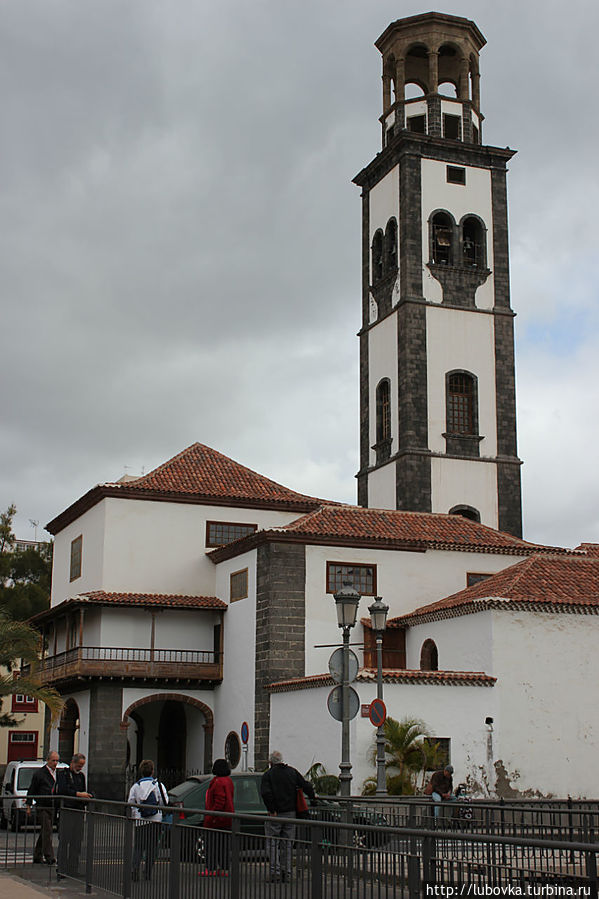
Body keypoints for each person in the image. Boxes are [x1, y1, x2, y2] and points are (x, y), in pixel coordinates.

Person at [260, 750, 315, 883]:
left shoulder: (268, 775)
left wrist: (271, 809)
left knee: (273, 843)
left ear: (270, 762)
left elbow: (266, 793)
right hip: (291, 813)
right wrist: (313, 799)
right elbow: (306, 785)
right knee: (288, 843)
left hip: (276, 813)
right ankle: (287, 872)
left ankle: (275, 872)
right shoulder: (292, 772)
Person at [127, 760, 168, 882]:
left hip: (140, 821)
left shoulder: (136, 786)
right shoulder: (157, 785)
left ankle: (135, 868)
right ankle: (148, 872)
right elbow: (163, 802)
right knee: (152, 847)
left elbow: (130, 802)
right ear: (152, 771)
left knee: (139, 847)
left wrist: (136, 813)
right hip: (155, 820)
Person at [56, 753, 92, 879]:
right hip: (67, 810)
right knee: (64, 841)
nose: (80, 768)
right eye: (78, 765)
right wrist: (78, 794)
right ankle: (61, 868)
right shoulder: (63, 775)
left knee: (76, 841)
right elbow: (62, 790)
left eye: (82, 766)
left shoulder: (81, 776)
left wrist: (85, 797)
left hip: (78, 811)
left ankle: (73, 868)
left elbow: (83, 789)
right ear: (73, 762)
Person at [200, 758, 234, 877]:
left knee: (212, 845)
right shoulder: (228, 781)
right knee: (224, 846)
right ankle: (224, 868)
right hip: (227, 818)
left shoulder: (218, 782)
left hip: (216, 819)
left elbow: (219, 801)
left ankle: (211, 868)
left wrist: (213, 815)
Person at [25, 750, 60, 865]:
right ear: (48, 760)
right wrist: (29, 805)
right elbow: (32, 790)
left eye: (57, 761)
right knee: (47, 830)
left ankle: (37, 855)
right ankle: (49, 856)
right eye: (53, 760)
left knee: (45, 831)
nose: (55, 763)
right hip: (42, 806)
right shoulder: (40, 774)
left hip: (53, 806)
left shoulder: (58, 774)